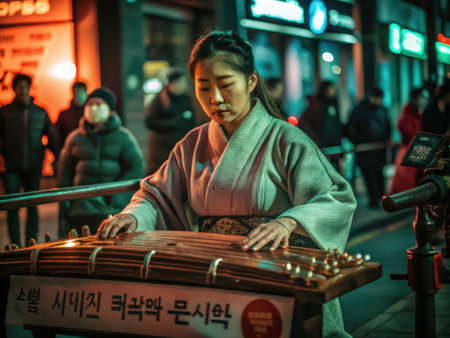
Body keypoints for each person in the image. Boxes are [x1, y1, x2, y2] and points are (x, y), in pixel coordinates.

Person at [97, 29, 356, 337]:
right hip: (214, 274)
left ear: (251, 82)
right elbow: (155, 196)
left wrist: (288, 223)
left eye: (226, 85)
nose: (215, 98)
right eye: (204, 87)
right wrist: (133, 215)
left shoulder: (286, 139)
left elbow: (335, 198)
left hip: (276, 275)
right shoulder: (192, 144)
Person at [57, 87, 144, 236]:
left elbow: (135, 168)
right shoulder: (75, 138)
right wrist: (67, 202)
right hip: (81, 209)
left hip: (111, 209)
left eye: (98, 104)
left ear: (109, 109)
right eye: (90, 104)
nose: (93, 108)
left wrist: (115, 196)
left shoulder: (123, 137)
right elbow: (65, 173)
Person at [0, 73, 61, 247]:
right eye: (19, 86)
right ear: (14, 88)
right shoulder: (4, 112)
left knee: (32, 206)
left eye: (26, 86)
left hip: (34, 165)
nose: (23, 89)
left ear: (29, 87)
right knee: (12, 207)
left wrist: (57, 158)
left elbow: (52, 137)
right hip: (11, 166)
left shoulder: (40, 112)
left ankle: (31, 244)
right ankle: (14, 245)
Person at [345, 86, 391, 208]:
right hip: (365, 149)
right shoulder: (359, 110)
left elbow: (388, 125)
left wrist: (386, 139)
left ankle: (380, 198)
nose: (380, 101)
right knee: (369, 175)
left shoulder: (382, 109)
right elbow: (350, 128)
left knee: (379, 174)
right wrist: (359, 142)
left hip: (379, 149)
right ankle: (373, 200)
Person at [145, 69, 196, 175]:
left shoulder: (185, 98)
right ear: (173, 83)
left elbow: (192, 118)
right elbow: (150, 122)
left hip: (182, 146)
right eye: (182, 82)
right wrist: (175, 123)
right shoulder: (160, 99)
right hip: (162, 149)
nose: (184, 85)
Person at [389, 87, 429, 195]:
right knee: (408, 188)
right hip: (408, 156)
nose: (425, 100)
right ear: (415, 99)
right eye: (423, 97)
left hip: (418, 155)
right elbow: (411, 137)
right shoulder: (406, 119)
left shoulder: (421, 116)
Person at [299, 81, 343, 169]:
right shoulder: (316, 105)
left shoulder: (334, 104)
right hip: (322, 149)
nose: (333, 91)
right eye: (331, 89)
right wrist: (315, 140)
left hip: (335, 149)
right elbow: (303, 123)